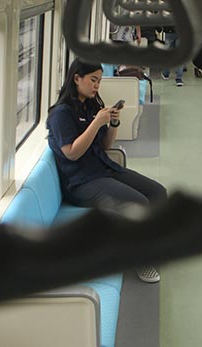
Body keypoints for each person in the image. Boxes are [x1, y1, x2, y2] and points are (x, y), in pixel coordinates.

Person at [47, 58, 167, 283]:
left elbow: (104, 147)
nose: (96, 86)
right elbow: (71, 153)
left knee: (158, 193)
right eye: (93, 80)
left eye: (99, 81)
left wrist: (112, 123)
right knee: (138, 203)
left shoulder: (91, 105)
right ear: (76, 78)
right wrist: (95, 123)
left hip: (103, 168)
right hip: (80, 182)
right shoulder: (61, 114)